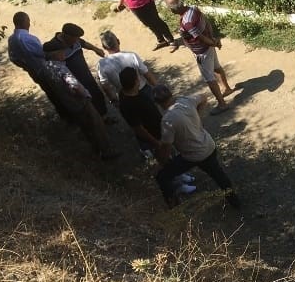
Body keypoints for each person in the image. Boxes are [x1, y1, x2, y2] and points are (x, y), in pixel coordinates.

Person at [152, 83, 239, 209]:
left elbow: (166, 146)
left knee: (162, 177)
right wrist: (198, 116)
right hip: (208, 145)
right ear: (171, 94)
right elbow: (204, 97)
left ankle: (174, 206)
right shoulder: (185, 100)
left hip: (194, 155)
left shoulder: (168, 120)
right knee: (219, 176)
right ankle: (235, 201)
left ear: (158, 103)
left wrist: (162, 162)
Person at [117, 67, 195, 195]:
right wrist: (155, 142)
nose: (139, 79)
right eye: (137, 77)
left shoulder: (132, 92)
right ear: (135, 81)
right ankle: (178, 185)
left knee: (172, 156)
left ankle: (180, 175)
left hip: (160, 131)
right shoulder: (127, 104)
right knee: (164, 161)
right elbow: (138, 128)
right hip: (153, 138)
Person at [39, 39, 119, 159]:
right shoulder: (61, 68)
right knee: (96, 124)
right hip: (80, 101)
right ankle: (107, 151)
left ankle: (96, 150)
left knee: (86, 127)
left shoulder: (45, 68)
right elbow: (74, 85)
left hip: (68, 103)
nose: (64, 54)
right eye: (61, 52)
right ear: (55, 54)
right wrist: (86, 95)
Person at [164, 0, 235, 114]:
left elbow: (200, 38)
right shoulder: (193, 9)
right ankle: (226, 88)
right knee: (216, 67)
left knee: (209, 78)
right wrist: (213, 39)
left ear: (173, 9)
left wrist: (213, 43)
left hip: (201, 52)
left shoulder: (187, 22)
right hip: (209, 47)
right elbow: (206, 23)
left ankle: (222, 104)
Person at [7, 11, 72, 120]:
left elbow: (13, 58)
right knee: (60, 91)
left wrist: (25, 66)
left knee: (50, 93)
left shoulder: (11, 39)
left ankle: (64, 115)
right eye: (28, 21)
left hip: (33, 72)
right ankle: (70, 114)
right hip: (45, 70)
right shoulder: (29, 38)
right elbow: (43, 53)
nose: (29, 23)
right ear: (25, 22)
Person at [49, 23, 108, 117]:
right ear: (66, 36)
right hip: (75, 82)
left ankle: (104, 116)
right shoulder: (53, 46)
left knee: (97, 93)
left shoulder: (75, 40)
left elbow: (84, 43)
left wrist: (96, 49)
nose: (77, 40)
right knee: (86, 102)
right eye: (75, 38)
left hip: (86, 74)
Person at [96, 30, 157, 105]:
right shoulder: (131, 55)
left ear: (104, 47)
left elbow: (105, 85)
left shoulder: (102, 64)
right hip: (142, 91)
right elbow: (146, 73)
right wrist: (157, 87)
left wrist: (113, 99)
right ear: (118, 41)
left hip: (125, 97)